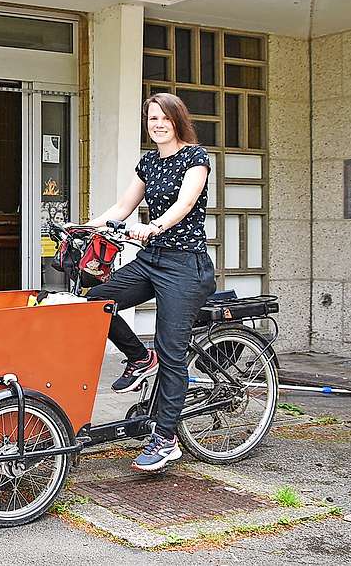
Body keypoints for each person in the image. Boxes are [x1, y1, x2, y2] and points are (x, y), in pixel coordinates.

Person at [84, 93, 216, 472]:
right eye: (151, 119)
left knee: (172, 350)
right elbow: (123, 207)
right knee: (95, 302)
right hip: (151, 260)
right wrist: (86, 226)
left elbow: (185, 204)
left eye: (163, 118)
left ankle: (166, 438)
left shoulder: (196, 157)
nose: (157, 124)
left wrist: (154, 226)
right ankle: (140, 357)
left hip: (184, 266)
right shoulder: (148, 162)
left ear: (178, 120)